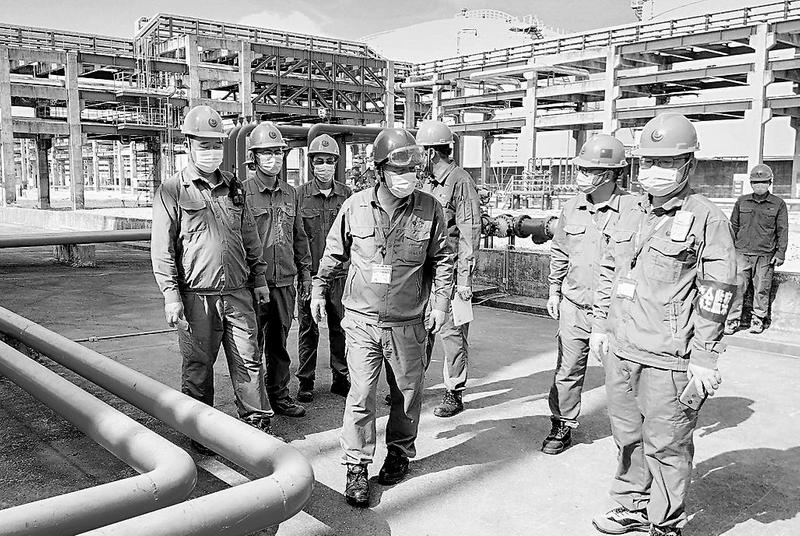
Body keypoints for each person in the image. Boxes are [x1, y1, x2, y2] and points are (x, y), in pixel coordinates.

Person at [590, 113, 736, 536]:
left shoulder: (706, 218)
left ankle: (665, 522)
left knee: (667, 445)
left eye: (667, 162)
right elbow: (609, 270)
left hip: (668, 358)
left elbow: (718, 290)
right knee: (627, 437)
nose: (655, 171)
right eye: (649, 161)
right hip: (622, 349)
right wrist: (600, 325)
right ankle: (632, 506)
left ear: (689, 164)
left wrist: (705, 357)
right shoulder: (630, 211)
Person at [311, 128, 453, 507]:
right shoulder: (355, 207)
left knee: (406, 394)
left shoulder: (430, 208)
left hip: (408, 323)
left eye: (412, 170)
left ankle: (399, 452)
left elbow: (443, 259)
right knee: (360, 395)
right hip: (362, 321)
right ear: (380, 170)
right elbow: (333, 253)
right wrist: (319, 290)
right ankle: (356, 465)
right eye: (398, 170)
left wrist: (440, 304)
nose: (407, 177)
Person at [151, 105, 274, 454]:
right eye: (203, 144)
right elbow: (162, 249)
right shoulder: (172, 190)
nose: (211, 151)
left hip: (237, 292)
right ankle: (200, 429)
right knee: (199, 365)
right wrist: (171, 295)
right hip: (197, 296)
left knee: (248, 358)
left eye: (216, 144)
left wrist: (260, 279)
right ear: (187, 146)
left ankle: (256, 421)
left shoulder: (234, 187)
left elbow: (249, 237)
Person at [544, 134, 635, 455]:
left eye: (588, 170)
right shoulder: (573, 207)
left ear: (609, 174)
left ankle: (629, 437)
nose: (581, 175)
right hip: (574, 305)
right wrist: (554, 290)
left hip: (614, 313)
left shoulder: (633, 210)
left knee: (620, 377)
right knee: (566, 370)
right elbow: (560, 251)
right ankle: (562, 423)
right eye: (580, 169)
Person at [243, 121, 312, 418]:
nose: (273, 158)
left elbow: (299, 236)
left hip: (284, 281)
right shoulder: (242, 192)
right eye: (267, 153)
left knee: (279, 344)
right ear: (254, 157)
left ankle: (279, 396)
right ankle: (255, 402)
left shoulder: (290, 193)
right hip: (253, 284)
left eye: (278, 152)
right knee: (251, 345)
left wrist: (305, 274)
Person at [415, 120, 481, 418]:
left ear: (431, 153)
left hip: (451, 273)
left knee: (452, 334)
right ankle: (413, 385)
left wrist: (465, 280)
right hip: (425, 271)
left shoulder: (460, 181)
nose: (417, 158)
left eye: (420, 152)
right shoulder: (428, 182)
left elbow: (470, 232)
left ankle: (454, 391)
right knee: (420, 329)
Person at [296, 134, 352, 402]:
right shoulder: (299, 196)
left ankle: (341, 378)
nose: (324, 166)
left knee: (341, 328)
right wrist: (303, 275)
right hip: (310, 276)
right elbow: (297, 238)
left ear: (336, 164)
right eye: (319, 161)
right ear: (311, 163)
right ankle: (306, 381)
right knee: (309, 329)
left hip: (340, 275)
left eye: (329, 161)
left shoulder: (347, 195)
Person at [724, 163, 788, 335]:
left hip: (765, 255)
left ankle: (758, 320)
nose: (760, 185)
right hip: (741, 253)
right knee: (737, 287)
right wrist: (730, 251)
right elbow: (733, 227)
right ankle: (732, 320)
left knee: (762, 289)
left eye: (764, 182)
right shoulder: (741, 201)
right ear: (751, 183)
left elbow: (782, 230)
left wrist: (780, 253)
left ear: (770, 183)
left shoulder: (778, 204)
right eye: (756, 182)